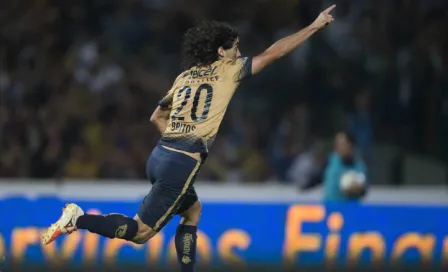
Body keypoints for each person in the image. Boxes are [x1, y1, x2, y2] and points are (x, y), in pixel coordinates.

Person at [42, 6, 336, 271]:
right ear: (221, 52)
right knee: (141, 233)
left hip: (160, 156)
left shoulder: (185, 76)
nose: (239, 53)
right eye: (235, 48)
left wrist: (176, 143)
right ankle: (77, 219)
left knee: (193, 211)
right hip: (180, 164)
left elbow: (156, 117)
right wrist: (313, 27)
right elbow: (275, 52)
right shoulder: (230, 71)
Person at [299, 131, 368, 201]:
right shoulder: (330, 161)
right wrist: (306, 185)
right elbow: (319, 176)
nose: (338, 147)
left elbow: (363, 190)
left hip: (349, 209)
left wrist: (355, 189)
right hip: (330, 207)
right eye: (337, 144)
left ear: (350, 145)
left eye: (342, 144)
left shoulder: (359, 167)